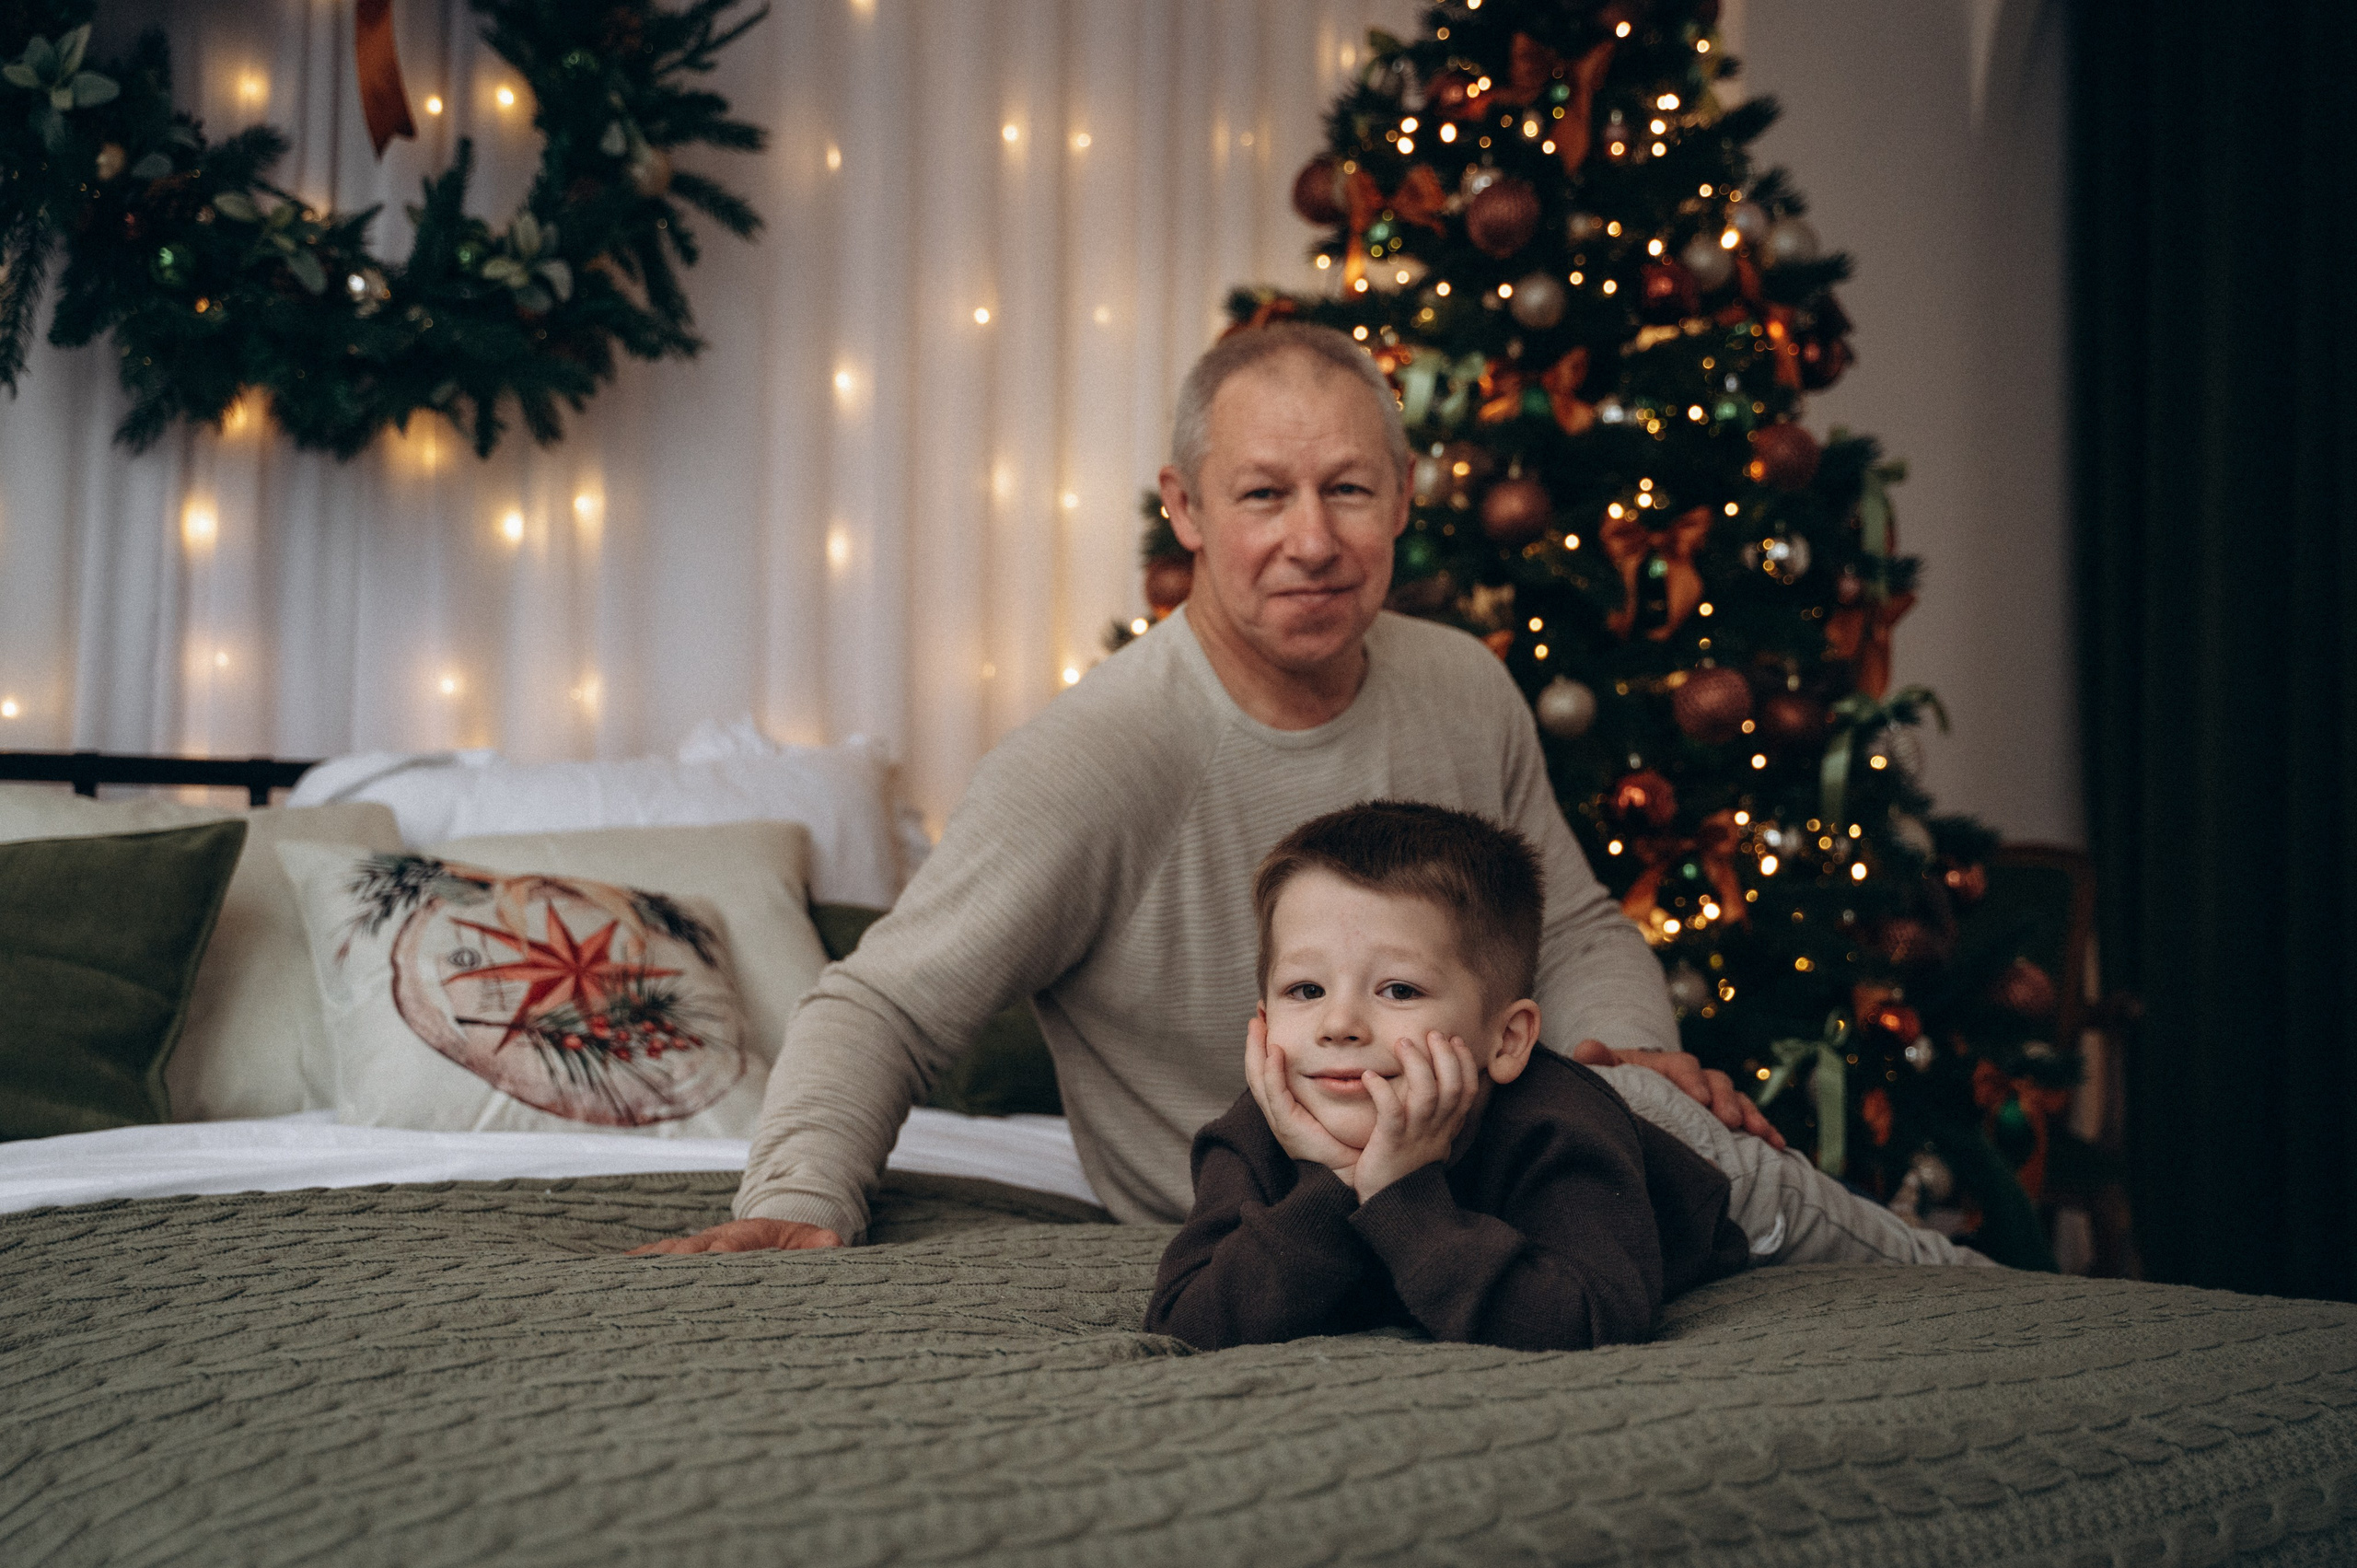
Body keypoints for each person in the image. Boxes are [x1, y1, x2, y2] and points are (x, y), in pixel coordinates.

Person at [632, 322, 1973, 1270]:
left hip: (1504, 1171)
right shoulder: (1100, 755)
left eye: (1347, 489)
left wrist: (1622, 1058)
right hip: (1279, 1212)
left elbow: (1565, 924)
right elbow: (884, 997)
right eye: (1263, 494)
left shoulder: (1460, 684)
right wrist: (802, 1196)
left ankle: (1983, 1307)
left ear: (1404, 495)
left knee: (1755, 1192)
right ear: (1187, 510)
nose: (1313, 540)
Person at [1144, 802, 1749, 1353]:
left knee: (1816, 1216)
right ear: (1265, 1019)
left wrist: (1399, 1191)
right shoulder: (1252, 1135)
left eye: (1399, 989)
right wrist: (1331, 1181)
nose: (1339, 1023)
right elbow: (1186, 1323)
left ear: (1505, 1039)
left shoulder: (1559, 1131)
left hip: (1700, 1160)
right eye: (1306, 989)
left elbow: (1590, 1321)